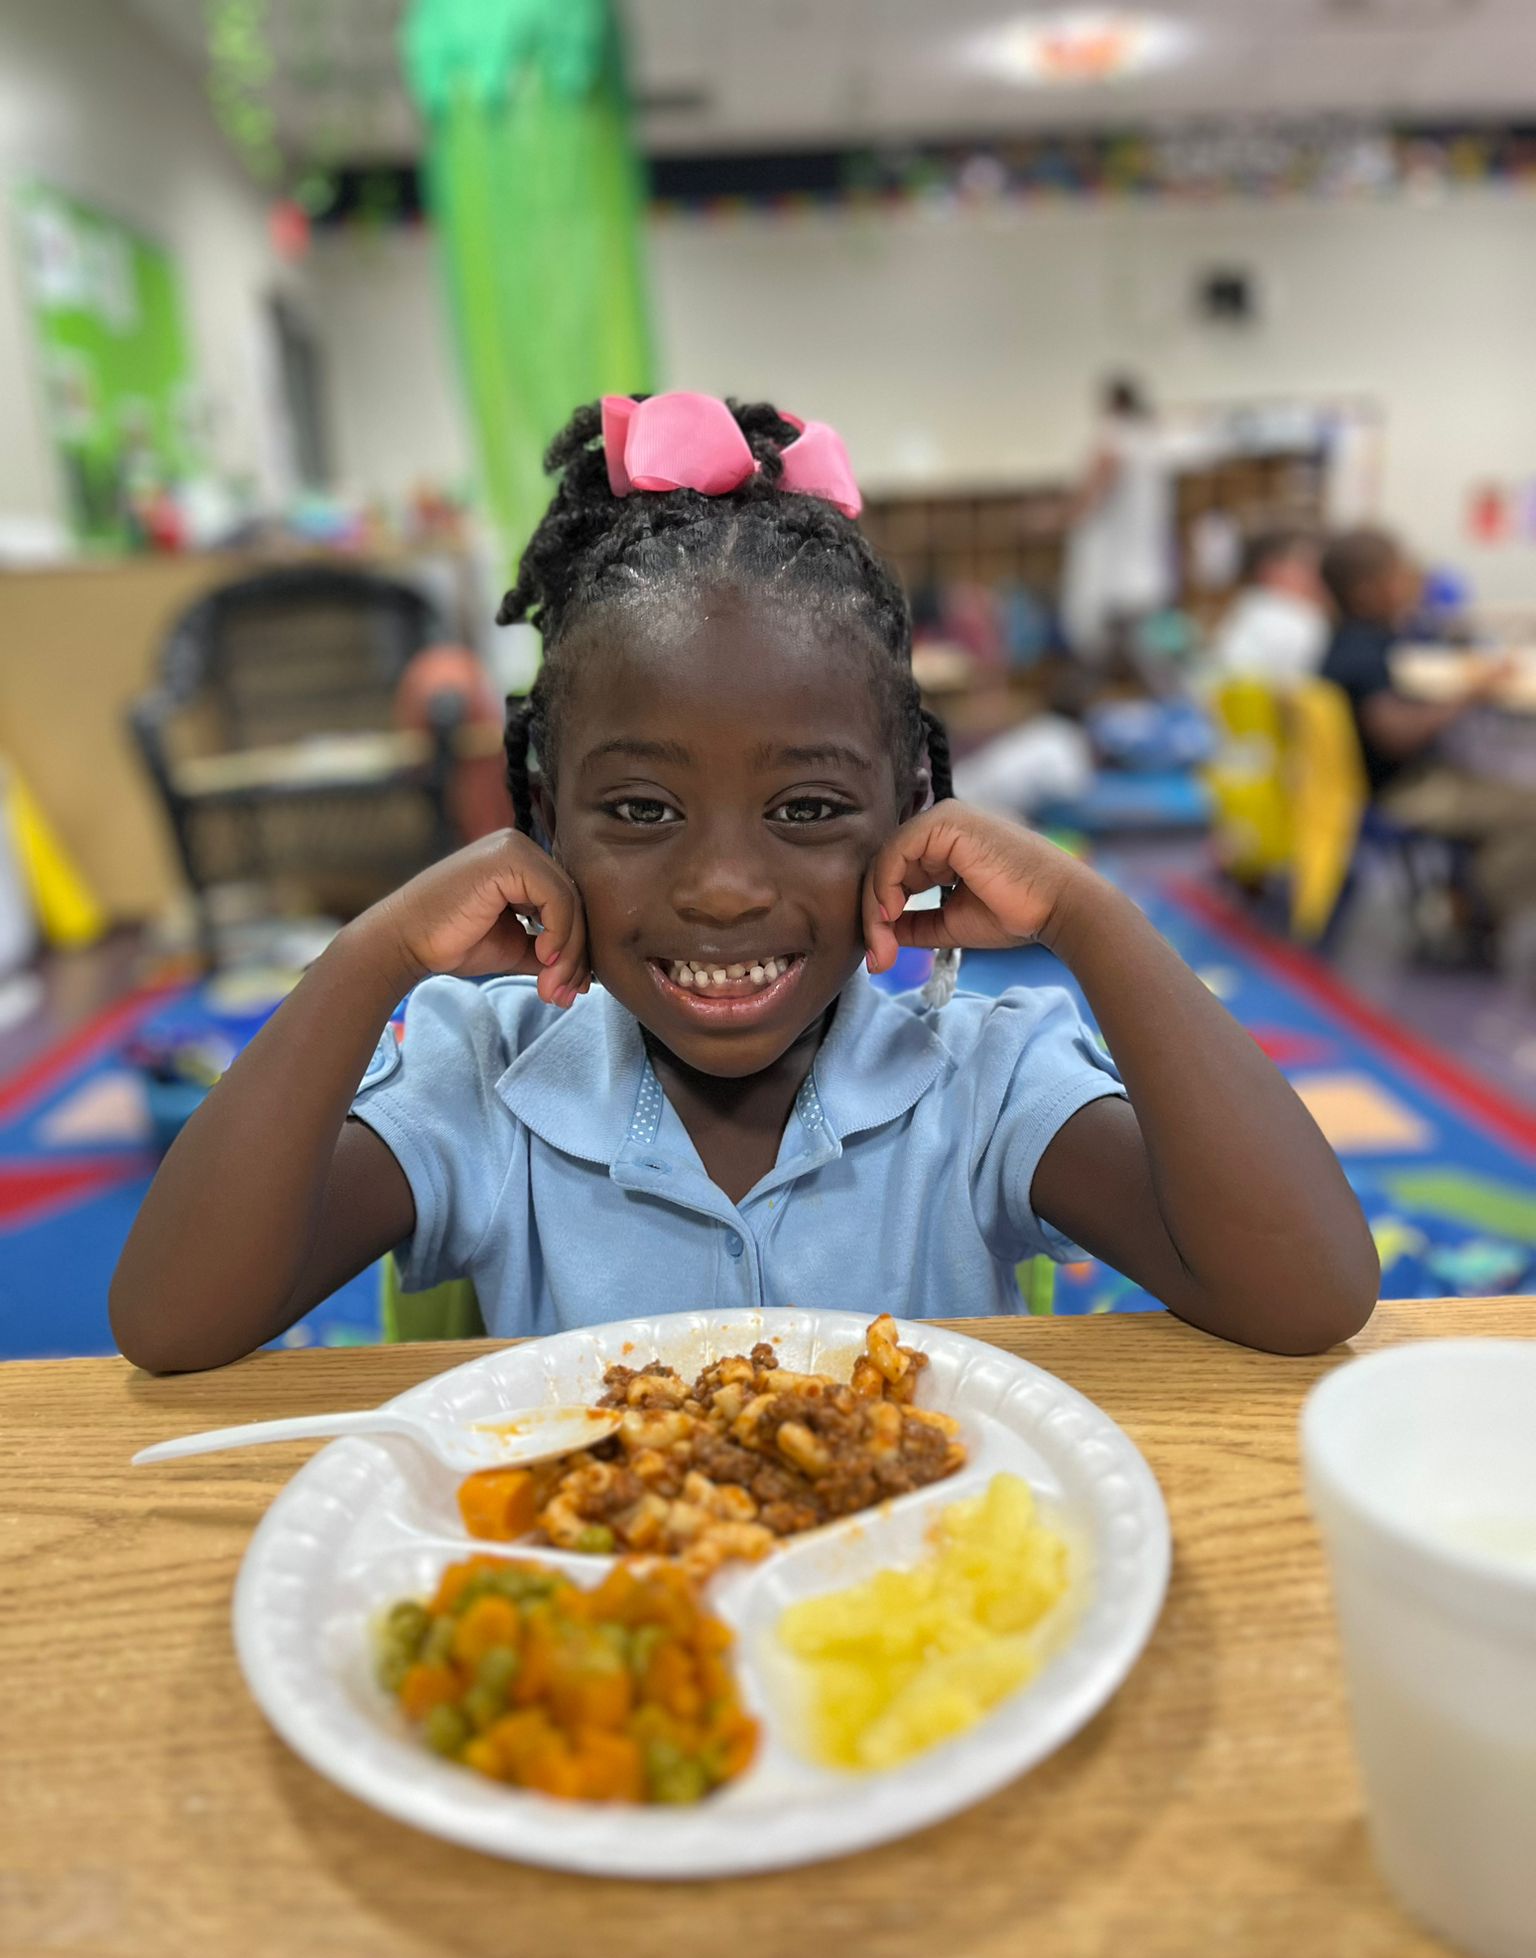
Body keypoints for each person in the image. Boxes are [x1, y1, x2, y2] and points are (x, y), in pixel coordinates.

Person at [111, 392, 1377, 1374]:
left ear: (912, 821)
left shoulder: (978, 1079)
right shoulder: (487, 1080)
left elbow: (1307, 1295)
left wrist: (1095, 922)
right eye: (642, 809)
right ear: (545, 825)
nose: (722, 886)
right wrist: (374, 952)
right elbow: (173, 1320)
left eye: (809, 809)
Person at [1320, 526, 1536, 937]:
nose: (1413, 583)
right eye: (1401, 575)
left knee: (1506, 788)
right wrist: (1473, 693)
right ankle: (1475, 905)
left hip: (1400, 782)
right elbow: (1394, 732)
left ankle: (1469, 892)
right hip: (1405, 792)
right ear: (1367, 591)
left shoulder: (1353, 641)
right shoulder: (1361, 652)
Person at [1060, 375, 1177, 676]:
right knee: (1141, 653)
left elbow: (1096, 489)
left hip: (1114, 571)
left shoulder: (1114, 436)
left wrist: (1063, 517)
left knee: (1108, 650)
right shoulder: (1150, 439)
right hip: (1146, 569)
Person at [1204, 527, 1331, 692]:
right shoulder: (1300, 619)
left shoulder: (1246, 607)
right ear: (1270, 569)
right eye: (1305, 564)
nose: (1315, 575)